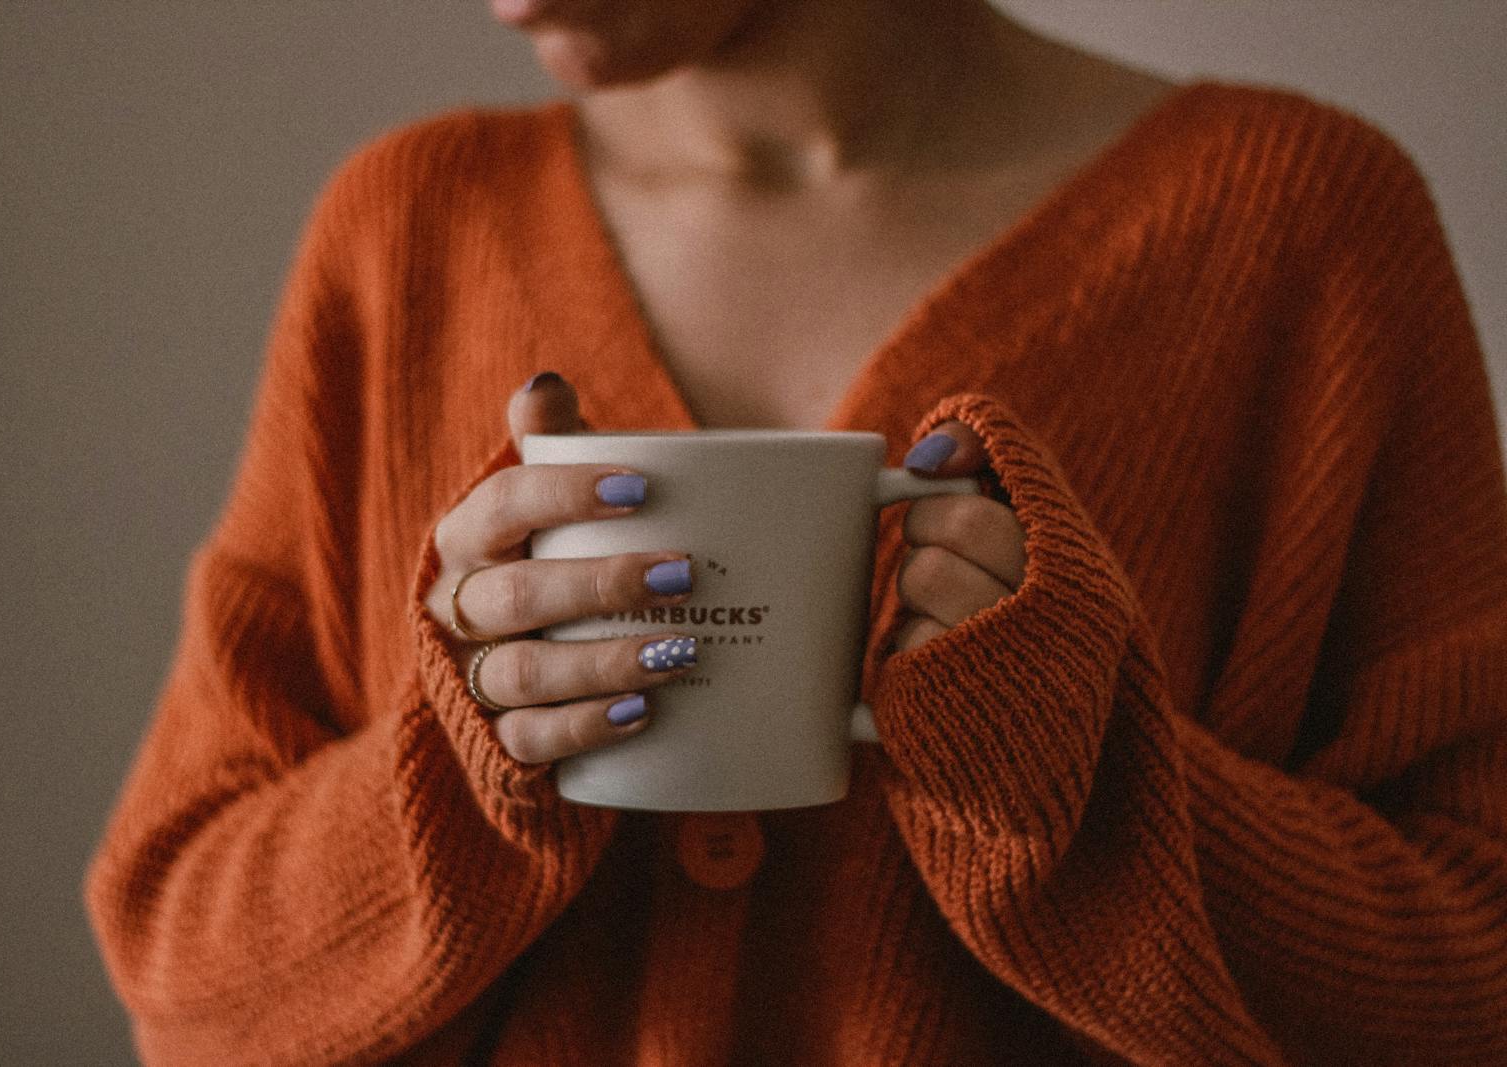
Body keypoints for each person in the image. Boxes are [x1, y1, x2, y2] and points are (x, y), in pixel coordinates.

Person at [85, 1, 1507, 1064]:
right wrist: (464, 785)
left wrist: (1088, 791)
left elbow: (1475, 967)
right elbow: (177, 962)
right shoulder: (407, 235)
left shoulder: (1301, 235)